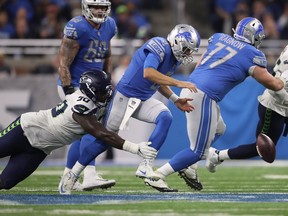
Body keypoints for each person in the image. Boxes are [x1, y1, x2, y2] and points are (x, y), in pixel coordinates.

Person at [144, 17, 287, 192]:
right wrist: (281, 81)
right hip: (203, 96)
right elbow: (274, 84)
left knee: (220, 129)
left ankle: (189, 166)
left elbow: (200, 63)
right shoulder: (253, 55)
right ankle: (158, 175)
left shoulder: (219, 37)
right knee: (198, 151)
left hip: (192, 87)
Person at [61, 24, 201, 190]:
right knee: (105, 139)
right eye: (186, 49)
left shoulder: (174, 59)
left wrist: (175, 99)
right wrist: (179, 83)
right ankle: (73, 174)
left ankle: (146, 165)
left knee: (165, 117)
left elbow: (158, 80)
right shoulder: (159, 45)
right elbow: (148, 73)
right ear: (176, 42)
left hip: (142, 99)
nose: (187, 54)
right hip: (124, 96)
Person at [0, 71, 156, 192]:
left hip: (39, 150)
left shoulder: (94, 99)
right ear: (91, 90)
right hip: (25, 130)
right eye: (103, 91)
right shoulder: (82, 105)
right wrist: (135, 148)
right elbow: (101, 133)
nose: (107, 94)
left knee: (5, 183)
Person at [57, 0, 118, 191]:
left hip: (96, 87)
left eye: (102, 7)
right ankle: (89, 175)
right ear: (86, 7)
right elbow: (63, 63)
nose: (99, 10)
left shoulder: (109, 25)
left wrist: (108, 80)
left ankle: (68, 178)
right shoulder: (78, 27)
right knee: (91, 127)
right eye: (95, 7)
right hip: (75, 85)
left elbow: (107, 55)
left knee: (81, 133)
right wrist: (69, 92)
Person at [206, 44, 288, 171]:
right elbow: (275, 88)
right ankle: (217, 156)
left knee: (264, 148)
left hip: (281, 106)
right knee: (263, 148)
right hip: (274, 106)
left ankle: (217, 156)